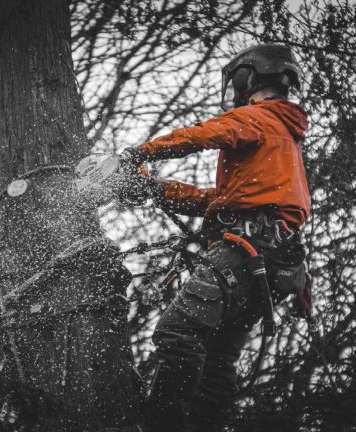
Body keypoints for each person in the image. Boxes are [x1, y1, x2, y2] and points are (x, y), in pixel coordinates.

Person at [119, 43, 311, 431]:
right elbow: (217, 202)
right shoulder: (283, 135)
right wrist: (156, 189)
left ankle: (161, 425)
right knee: (218, 360)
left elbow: (205, 134)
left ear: (246, 78)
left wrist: (139, 153)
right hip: (268, 266)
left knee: (176, 332)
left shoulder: (260, 117)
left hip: (242, 254)